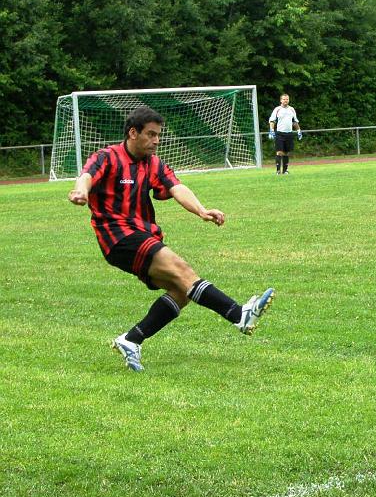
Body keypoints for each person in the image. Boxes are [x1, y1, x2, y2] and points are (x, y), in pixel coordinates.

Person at [68, 106, 275, 371]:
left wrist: (201, 210)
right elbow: (86, 176)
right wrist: (80, 191)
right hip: (117, 235)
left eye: (158, 135)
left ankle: (131, 340)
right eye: (151, 135)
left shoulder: (153, 164)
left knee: (181, 290)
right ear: (133, 133)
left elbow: (176, 187)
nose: (156, 141)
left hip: (141, 233)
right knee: (183, 270)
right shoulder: (108, 157)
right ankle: (239, 315)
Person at [268, 93, 302, 175]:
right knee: (279, 152)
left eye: (287, 99)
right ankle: (278, 171)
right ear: (281, 100)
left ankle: (285, 170)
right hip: (280, 134)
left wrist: (299, 131)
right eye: (284, 99)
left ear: (288, 100)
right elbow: (272, 121)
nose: (285, 100)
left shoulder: (292, 109)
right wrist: (271, 130)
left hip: (289, 134)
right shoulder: (277, 109)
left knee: (287, 152)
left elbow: (295, 122)